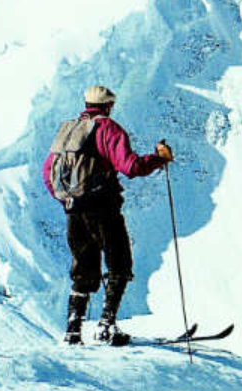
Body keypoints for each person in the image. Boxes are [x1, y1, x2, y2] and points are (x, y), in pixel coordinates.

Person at [42, 84, 173, 345]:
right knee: (119, 263)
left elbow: (49, 173)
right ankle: (106, 326)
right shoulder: (108, 129)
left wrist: (69, 200)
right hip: (102, 207)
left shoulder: (68, 131)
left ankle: (73, 330)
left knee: (83, 270)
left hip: (74, 209)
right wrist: (159, 159)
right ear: (109, 105)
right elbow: (130, 166)